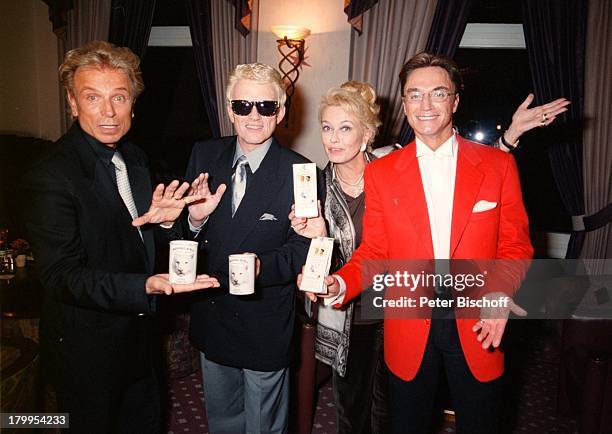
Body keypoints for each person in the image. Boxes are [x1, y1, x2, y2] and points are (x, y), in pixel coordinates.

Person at [290, 79, 565, 433]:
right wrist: (335, 276)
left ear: (455, 101)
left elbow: (497, 215)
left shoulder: (397, 164)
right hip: (389, 318)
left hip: (472, 317)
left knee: (476, 419)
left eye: (438, 93)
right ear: (405, 105)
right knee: (381, 416)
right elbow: (374, 250)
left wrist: (509, 138)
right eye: (415, 95)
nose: (426, 104)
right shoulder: (341, 179)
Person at [23, 41, 219, 433]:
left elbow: (138, 246)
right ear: (72, 103)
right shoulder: (51, 175)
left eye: (119, 96)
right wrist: (144, 285)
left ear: (133, 102)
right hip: (86, 352)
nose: (109, 112)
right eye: (92, 97)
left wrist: (165, 226)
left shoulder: (135, 159)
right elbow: (61, 275)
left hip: (140, 341)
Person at [138, 63, 314, 434]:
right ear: (230, 110)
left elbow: (303, 249)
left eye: (265, 106)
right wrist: (196, 220)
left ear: (280, 113)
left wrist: (263, 268)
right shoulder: (204, 155)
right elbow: (182, 245)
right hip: (213, 316)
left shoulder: (301, 171)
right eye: (243, 105)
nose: (253, 115)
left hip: (264, 323)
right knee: (222, 421)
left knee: (265, 426)